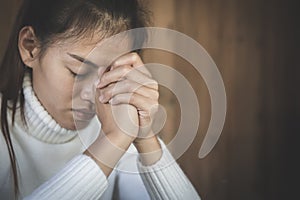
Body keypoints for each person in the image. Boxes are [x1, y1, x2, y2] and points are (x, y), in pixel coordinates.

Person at [0, 0, 201, 199]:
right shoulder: (113, 133)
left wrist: (145, 137)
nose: (92, 95)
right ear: (30, 47)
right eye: (77, 72)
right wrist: (110, 143)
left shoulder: (114, 123)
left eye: (110, 74)